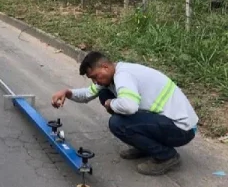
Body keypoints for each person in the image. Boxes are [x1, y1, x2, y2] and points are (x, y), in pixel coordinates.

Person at [51, 51, 198, 176]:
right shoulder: (109, 78)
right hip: (165, 121)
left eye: (96, 76)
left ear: (105, 66)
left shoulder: (123, 75)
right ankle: (145, 147)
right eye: (93, 79)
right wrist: (67, 92)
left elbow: (129, 107)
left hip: (181, 129)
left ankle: (167, 157)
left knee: (117, 123)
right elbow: (87, 94)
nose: (96, 81)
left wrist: (111, 104)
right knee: (105, 95)